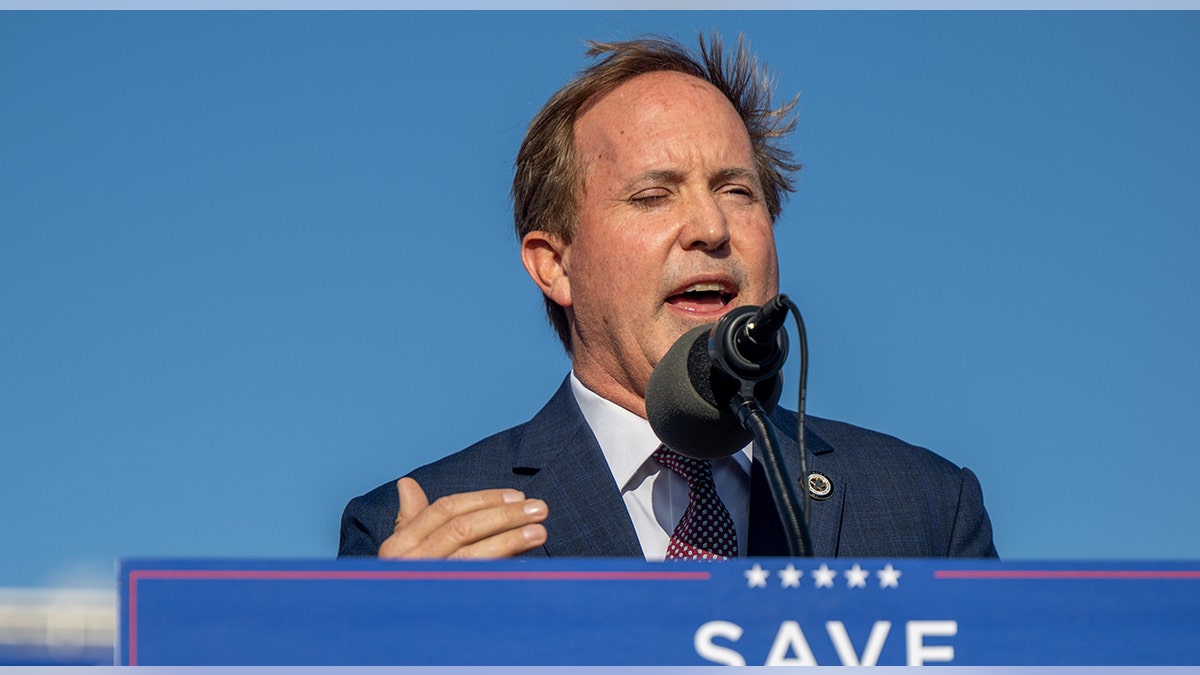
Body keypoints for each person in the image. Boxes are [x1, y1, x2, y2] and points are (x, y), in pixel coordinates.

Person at [338, 34, 998, 561]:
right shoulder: (413, 528)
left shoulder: (927, 508)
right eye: (654, 195)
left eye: (738, 191)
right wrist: (399, 639)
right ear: (554, 265)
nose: (711, 229)